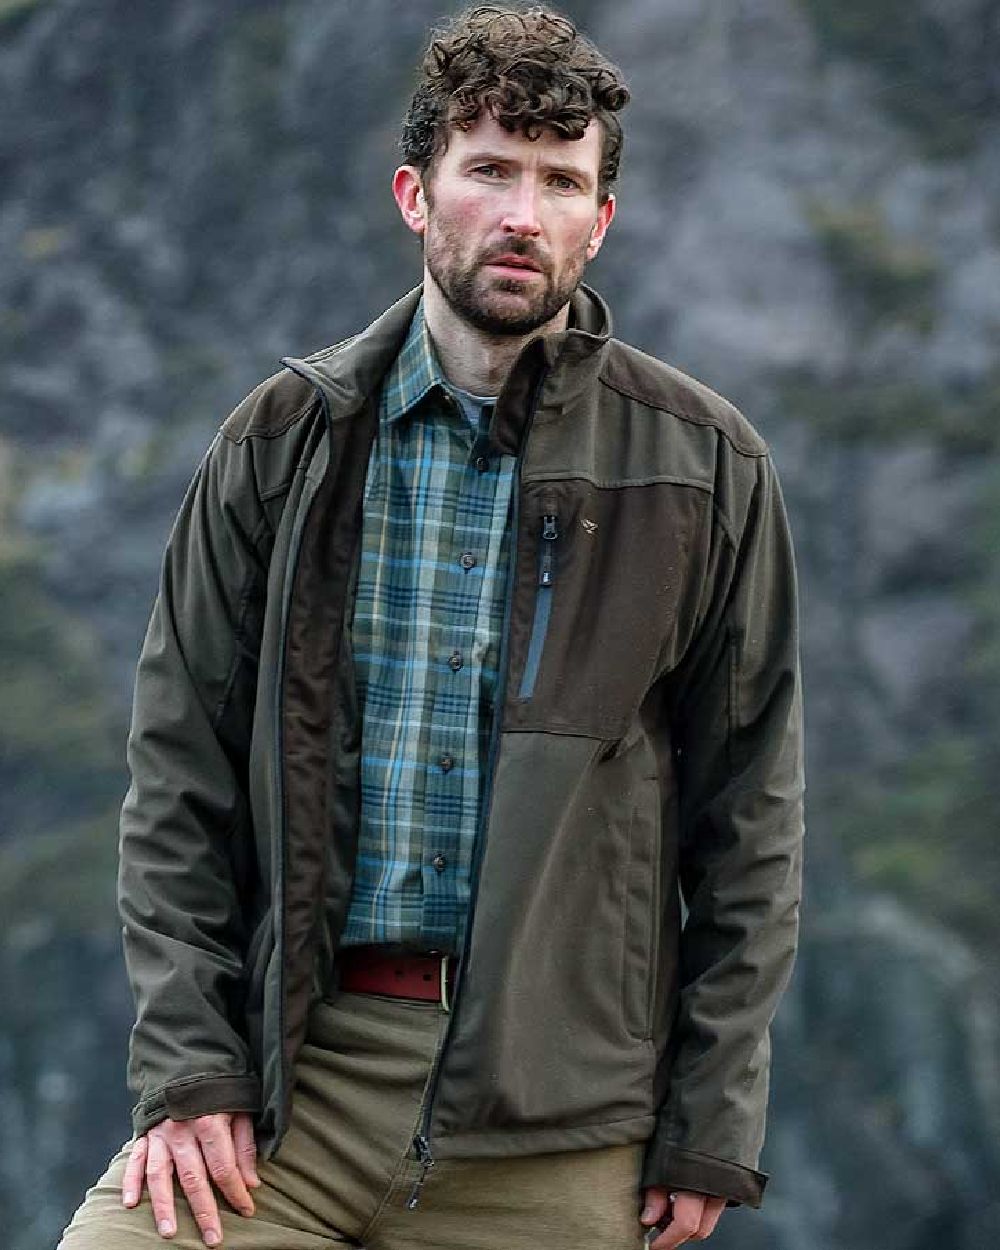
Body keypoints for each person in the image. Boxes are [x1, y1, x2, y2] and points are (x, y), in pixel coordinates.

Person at [58, 5, 804, 1249]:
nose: (524, 213)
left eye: (561, 182)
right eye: (491, 170)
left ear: (599, 219)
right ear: (417, 192)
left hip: (559, 1121)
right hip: (297, 1089)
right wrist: (194, 1071)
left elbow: (751, 823)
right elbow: (177, 776)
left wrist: (710, 1120)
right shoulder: (280, 443)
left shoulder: (705, 465)